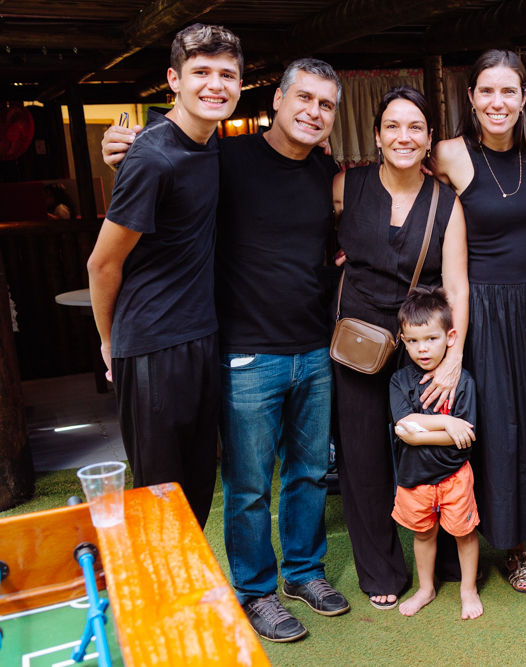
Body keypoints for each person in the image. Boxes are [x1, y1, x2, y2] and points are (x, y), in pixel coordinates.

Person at [101, 58, 351, 642]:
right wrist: (122, 152)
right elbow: (166, 160)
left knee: (310, 473)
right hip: (245, 353)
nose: (314, 112)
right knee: (248, 486)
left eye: (326, 105)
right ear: (279, 100)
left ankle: (304, 572)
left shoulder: (325, 170)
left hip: (314, 347)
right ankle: (256, 591)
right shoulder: (224, 157)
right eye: (304, 98)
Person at [87, 24, 241, 529]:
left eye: (227, 74)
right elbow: (101, 263)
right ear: (174, 79)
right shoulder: (152, 156)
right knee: (158, 496)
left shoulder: (210, 143)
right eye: (201, 72)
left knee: (196, 490)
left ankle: (183, 580)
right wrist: (109, 342)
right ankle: (151, 582)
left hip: (201, 336)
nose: (215, 85)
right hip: (152, 343)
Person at [432, 49, 526, 593]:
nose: (497, 101)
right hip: (487, 311)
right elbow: (411, 197)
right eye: (486, 90)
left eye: (508, 91)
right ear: (470, 97)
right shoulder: (450, 153)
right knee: (502, 428)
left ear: (523, 98)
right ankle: (514, 547)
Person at [334, 86, 469, 610]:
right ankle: (381, 570)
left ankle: (450, 558)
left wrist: (454, 356)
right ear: (376, 135)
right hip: (359, 341)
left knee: (436, 449)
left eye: (415, 127)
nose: (403, 136)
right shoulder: (347, 185)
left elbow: (456, 287)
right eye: (392, 126)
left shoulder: (446, 201)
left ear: (429, 137)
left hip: (424, 342)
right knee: (363, 456)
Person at [390, 288, 482, 620]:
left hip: (455, 476)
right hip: (414, 478)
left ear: (450, 337)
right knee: (423, 533)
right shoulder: (400, 380)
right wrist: (447, 422)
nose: (423, 348)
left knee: (464, 533)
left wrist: (419, 437)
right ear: (403, 341)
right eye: (414, 341)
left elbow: (465, 437)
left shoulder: (462, 381)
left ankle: (468, 589)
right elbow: (404, 423)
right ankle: (426, 588)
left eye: (431, 338)